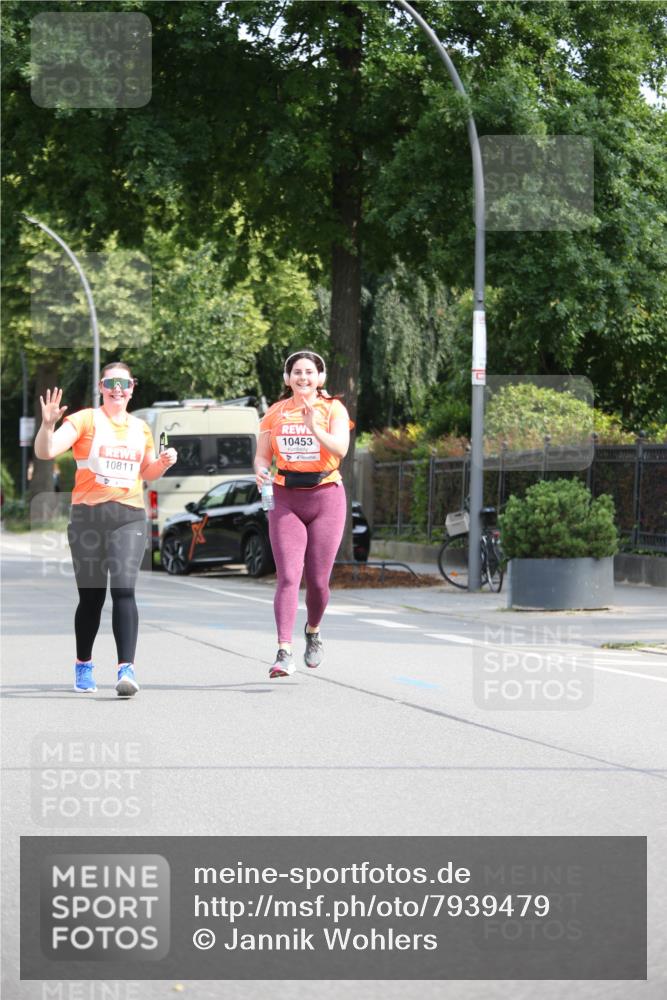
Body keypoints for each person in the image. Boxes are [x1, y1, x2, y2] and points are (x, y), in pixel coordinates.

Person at [33, 363, 177, 697]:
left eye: (123, 383)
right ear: (101, 386)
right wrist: (47, 424)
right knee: (92, 598)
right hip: (87, 519)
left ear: (132, 387)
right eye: (111, 383)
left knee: (124, 590)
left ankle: (126, 668)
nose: (117, 389)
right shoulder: (84, 420)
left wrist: (163, 463)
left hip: (129, 517)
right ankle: (83, 664)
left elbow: (148, 472)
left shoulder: (140, 428)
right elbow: (46, 451)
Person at [254, 350, 352, 678]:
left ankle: (313, 630)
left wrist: (315, 428)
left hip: (327, 497)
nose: (303, 378)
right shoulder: (275, 412)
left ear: (320, 378)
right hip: (285, 498)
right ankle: (284, 651)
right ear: (288, 378)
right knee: (288, 577)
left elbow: (341, 449)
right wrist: (260, 471)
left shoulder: (333, 409)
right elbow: (262, 456)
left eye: (310, 372)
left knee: (318, 582)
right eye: (297, 372)